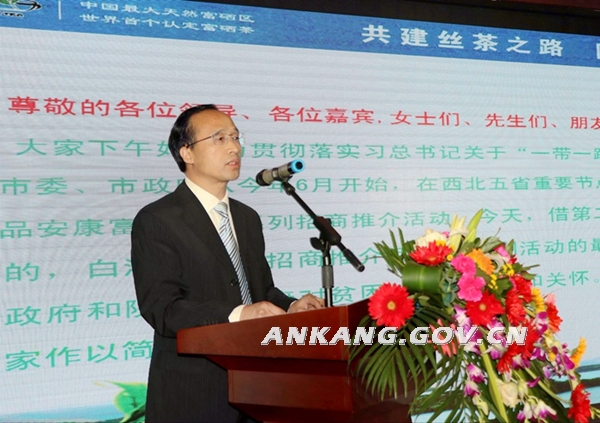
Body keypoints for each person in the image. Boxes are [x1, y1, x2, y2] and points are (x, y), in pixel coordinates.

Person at [131, 104, 324, 422]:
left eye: (235, 137)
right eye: (219, 138)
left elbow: (261, 290)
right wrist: (238, 315)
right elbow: (162, 309)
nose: (234, 147)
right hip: (194, 394)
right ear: (187, 153)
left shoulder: (247, 218)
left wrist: (290, 307)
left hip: (256, 388)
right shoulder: (158, 219)